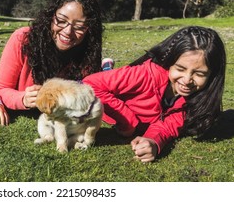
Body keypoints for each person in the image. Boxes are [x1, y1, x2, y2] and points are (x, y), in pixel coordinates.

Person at [83, 26, 226, 162]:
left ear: (212, 76)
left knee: (111, 77)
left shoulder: (196, 100)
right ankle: (107, 67)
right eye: (180, 69)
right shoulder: (144, 75)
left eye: (199, 73)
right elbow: (90, 85)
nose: (187, 80)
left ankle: (107, 68)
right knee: (107, 77)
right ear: (170, 62)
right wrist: (127, 123)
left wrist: (153, 141)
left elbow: (168, 126)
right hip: (115, 107)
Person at [0, 0, 104, 110]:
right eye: (61, 21)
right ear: (51, 16)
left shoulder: (89, 52)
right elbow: (0, 89)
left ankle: (106, 66)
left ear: (90, 30)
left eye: (79, 27)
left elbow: (91, 96)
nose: (68, 31)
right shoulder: (23, 39)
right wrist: (23, 99)